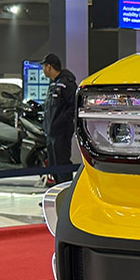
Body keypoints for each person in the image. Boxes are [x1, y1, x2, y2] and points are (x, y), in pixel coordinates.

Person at [41, 53, 78, 185]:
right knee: (53, 165)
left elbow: (73, 107)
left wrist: (60, 122)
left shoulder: (67, 84)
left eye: (44, 66)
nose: (43, 70)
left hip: (61, 133)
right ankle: (57, 191)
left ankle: (65, 192)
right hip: (51, 133)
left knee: (62, 164)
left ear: (49, 67)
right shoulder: (53, 84)